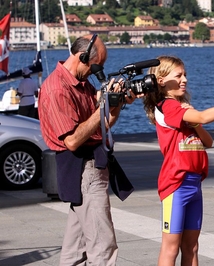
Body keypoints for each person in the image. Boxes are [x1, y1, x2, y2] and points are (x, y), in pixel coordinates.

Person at [143, 55, 214, 266]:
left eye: (185, 74)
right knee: (170, 248)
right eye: (178, 75)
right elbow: (204, 117)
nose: (184, 79)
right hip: (176, 185)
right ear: (161, 80)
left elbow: (208, 141)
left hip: (194, 184)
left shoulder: (183, 109)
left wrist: (193, 122)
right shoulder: (167, 106)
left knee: (192, 247)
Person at [38, 34, 140, 265]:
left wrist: (117, 103)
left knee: (76, 248)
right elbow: (72, 141)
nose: (97, 72)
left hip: (89, 166)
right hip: (82, 167)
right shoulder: (58, 89)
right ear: (82, 57)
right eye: (97, 66)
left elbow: (101, 124)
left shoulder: (81, 83)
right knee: (103, 246)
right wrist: (103, 105)